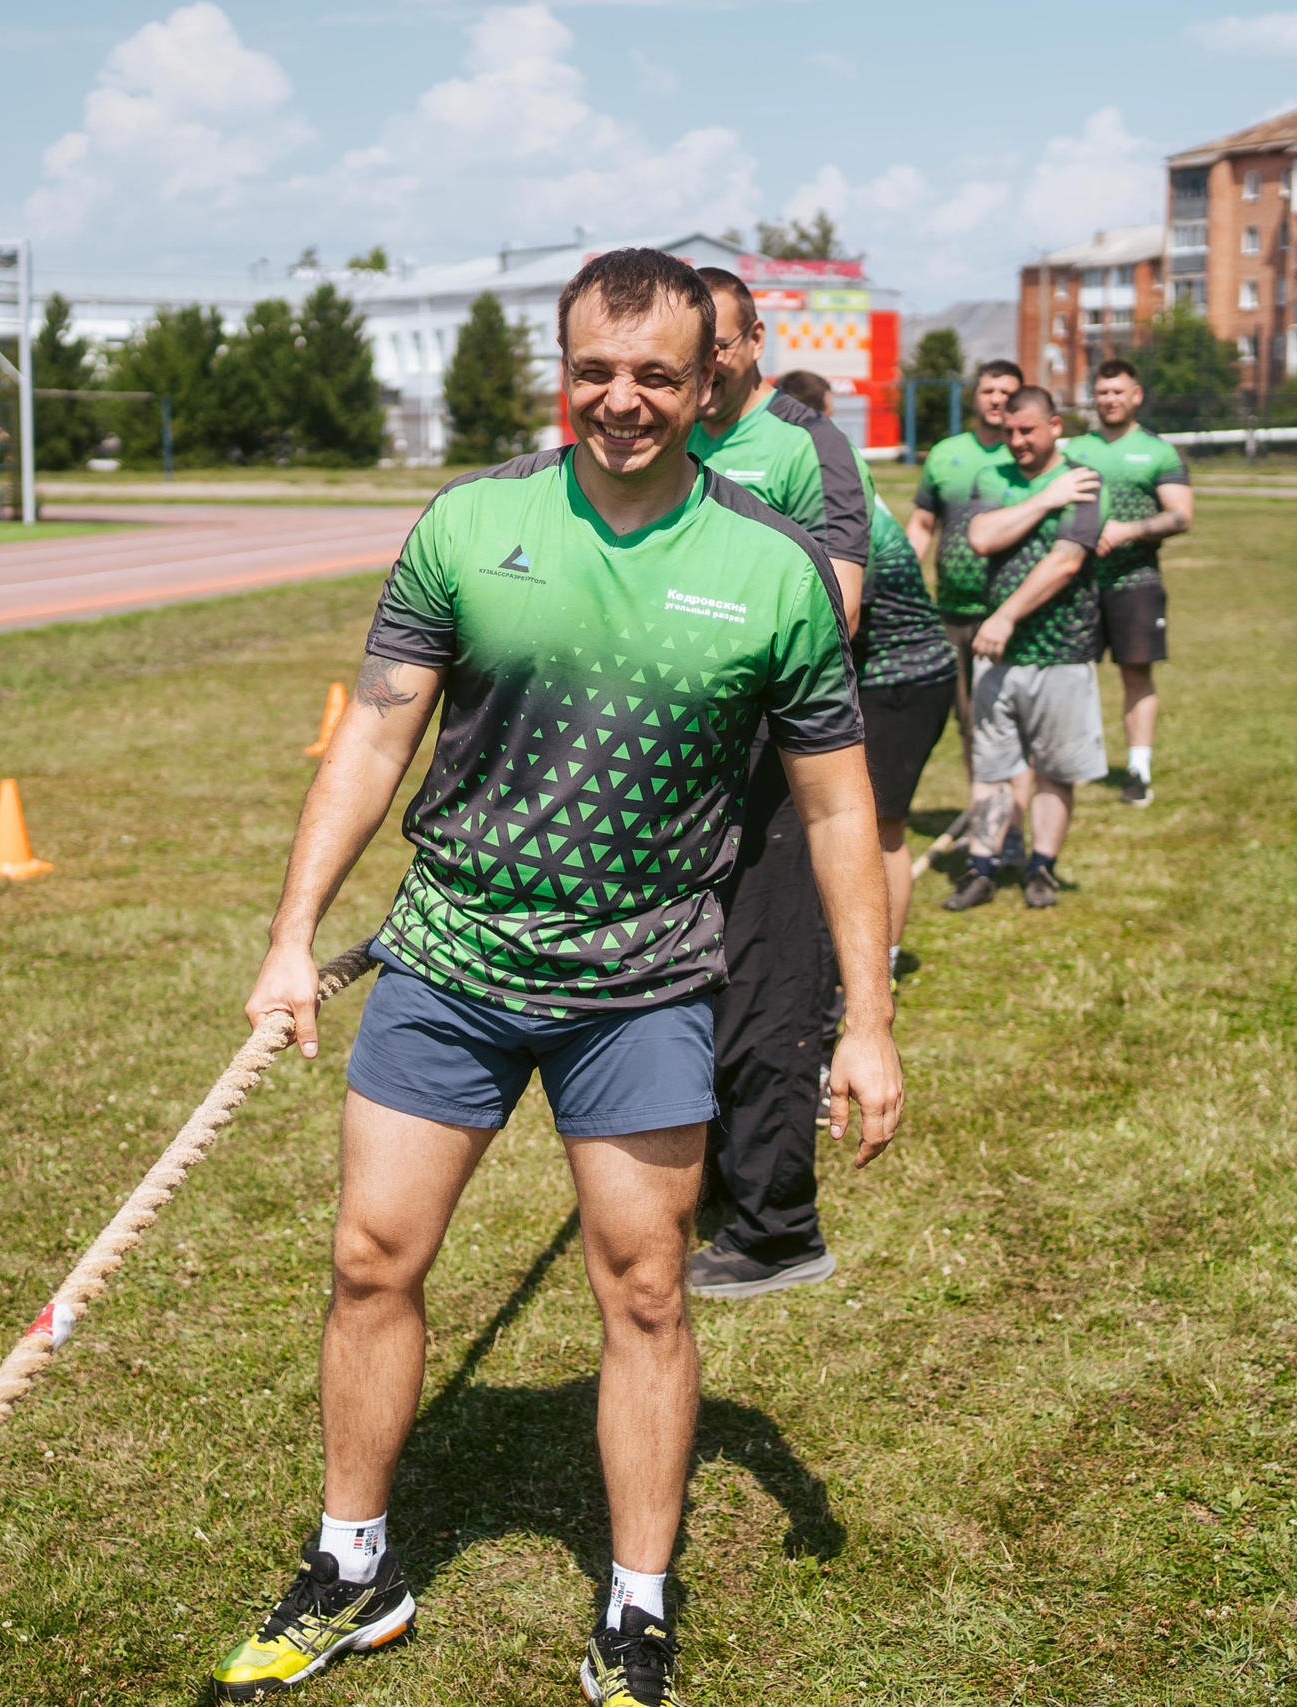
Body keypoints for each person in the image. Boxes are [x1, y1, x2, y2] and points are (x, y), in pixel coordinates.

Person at [215, 250, 901, 1707]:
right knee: (368, 1259)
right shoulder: (471, 524)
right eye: (597, 367)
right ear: (563, 367)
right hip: (450, 960)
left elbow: (841, 809)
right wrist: (292, 932)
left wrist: (870, 1022)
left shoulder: (771, 565)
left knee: (647, 1286)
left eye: (657, 372)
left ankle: (637, 1605)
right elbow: (373, 738)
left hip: (648, 980)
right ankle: (354, 1565)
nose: (623, 399)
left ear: (710, 379)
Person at [679, 268, 877, 1302]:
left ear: (752, 340)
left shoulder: (802, 443)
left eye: (715, 343)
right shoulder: (671, 440)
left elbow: (837, 605)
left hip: (773, 767)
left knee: (768, 987)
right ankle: (712, 1180)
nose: (699, 365)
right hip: (684, 770)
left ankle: (777, 1228)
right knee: (689, 981)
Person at [778, 368, 953, 977]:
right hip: (864, 673)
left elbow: (847, 610)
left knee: (878, 828)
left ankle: (885, 959)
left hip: (903, 676)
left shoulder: (832, 477)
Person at [947, 385, 1104, 912]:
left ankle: (1042, 868)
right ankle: (983, 867)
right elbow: (983, 537)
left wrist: (1007, 615)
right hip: (1000, 654)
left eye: (1027, 430)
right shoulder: (994, 476)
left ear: (1055, 426)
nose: (1014, 440)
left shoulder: (1084, 480)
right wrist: (1044, 500)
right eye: (1009, 431)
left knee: (1055, 769)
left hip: (1060, 650)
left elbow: (1066, 560)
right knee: (991, 766)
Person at [1063, 358, 1193, 806]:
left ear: (1136, 395)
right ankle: (1070, 764)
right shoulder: (1074, 449)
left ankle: (1138, 768)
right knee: (1068, 675)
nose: (1109, 400)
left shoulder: (1159, 451)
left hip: (1136, 580)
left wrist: (1126, 530)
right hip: (1075, 582)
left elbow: (1182, 515)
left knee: (1136, 673)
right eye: (1102, 392)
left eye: (1118, 392)